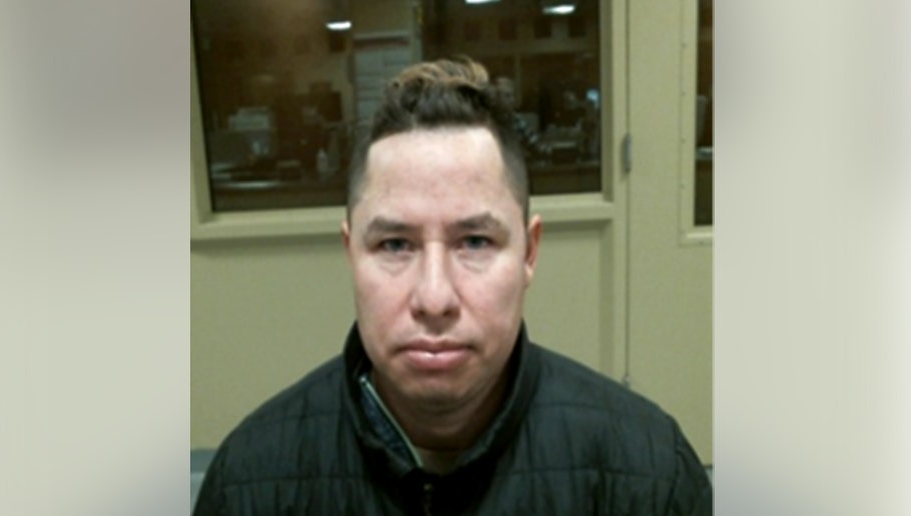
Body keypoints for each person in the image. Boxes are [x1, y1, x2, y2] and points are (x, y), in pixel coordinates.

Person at [194, 57, 712, 515]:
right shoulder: (248, 485)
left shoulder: (649, 476)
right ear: (350, 253)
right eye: (395, 245)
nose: (435, 299)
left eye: (476, 242)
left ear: (529, 253)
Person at [494, 76, 551, 159]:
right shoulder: (488, 120)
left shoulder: (516, 119)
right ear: (496, 98)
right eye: (507, 96)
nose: (512, 100)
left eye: (513, 95)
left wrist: (552, 152)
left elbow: (533, 142)